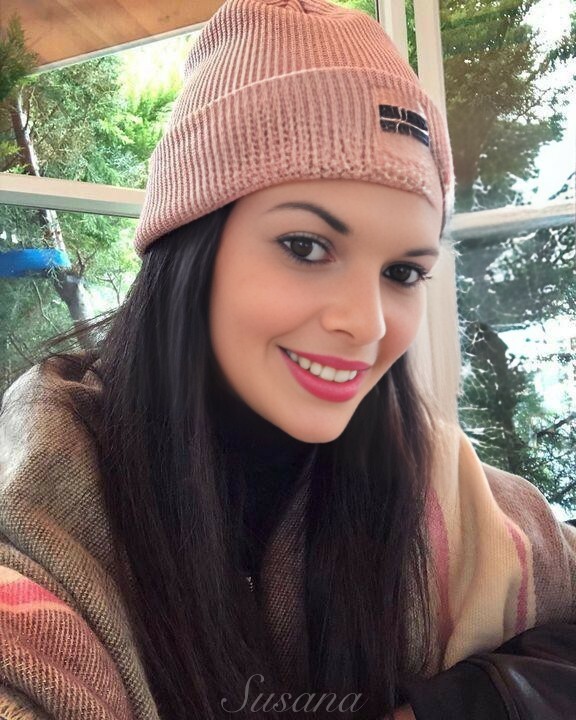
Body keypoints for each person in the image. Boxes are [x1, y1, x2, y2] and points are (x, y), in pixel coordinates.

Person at [0, 0, 575, 719]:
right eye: (306, 247)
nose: (366, 323)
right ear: (190, 246)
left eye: (402, 272)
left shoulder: (446, 491)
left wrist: (468, 702)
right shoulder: (39, 525)